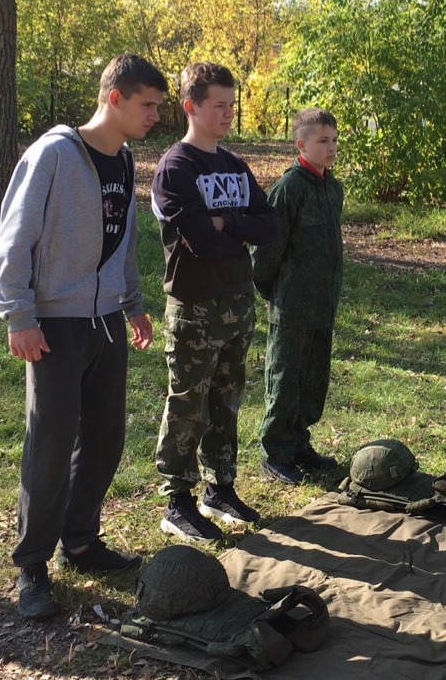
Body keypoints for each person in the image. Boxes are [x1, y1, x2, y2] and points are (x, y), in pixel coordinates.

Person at [0, 54, 169, 619]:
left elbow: (123, 241)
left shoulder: (124, 160)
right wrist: (18, 313)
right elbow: (15, 236)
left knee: (104, 437)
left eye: (159, 107)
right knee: (50, 443)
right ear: (113, 98)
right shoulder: (53, 154)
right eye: (147, 105)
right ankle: (32, 565)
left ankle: (82, 541)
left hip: (106, 322)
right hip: (54, 324)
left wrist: (134, 305)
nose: (155, 117)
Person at [151, 62, 278, 542]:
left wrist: (228, 224)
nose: (228, 113)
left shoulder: (234, 166)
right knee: (188, 402)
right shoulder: (176, 168)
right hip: (194, 307)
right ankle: (177, 501)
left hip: (237, 304)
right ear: (191, 107)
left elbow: (269, 226)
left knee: (227, 398)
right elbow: (200, 241)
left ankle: (219, 487)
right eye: (218, 105)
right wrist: (230, 227)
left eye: (231, 104)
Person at [251, 108, 344, 485]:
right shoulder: (288, 189)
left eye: (334, 140)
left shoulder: (332, 187)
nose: (331, 147)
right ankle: (276, 450)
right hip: (290, 304)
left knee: (312, 380)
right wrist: (270, 291)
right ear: (301, 143)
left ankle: (299, 442)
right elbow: (266, 250)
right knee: (285, 378)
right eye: (322, 141)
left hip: (322, 303)